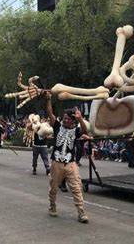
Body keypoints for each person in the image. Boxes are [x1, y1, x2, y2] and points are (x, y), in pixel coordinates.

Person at [45, 91, 89, 223]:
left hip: (71, 163)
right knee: (53, 187)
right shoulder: (57, 126)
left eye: (68, 119)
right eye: (64, 118)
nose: (65, 120)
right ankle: (52, 206)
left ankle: (81, 213)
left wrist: (80, 118)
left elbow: (84, 130)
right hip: (56, 163)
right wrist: (48, 100)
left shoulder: (75, 131)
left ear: (73, 121)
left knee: (76, 187)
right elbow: (50, 113)